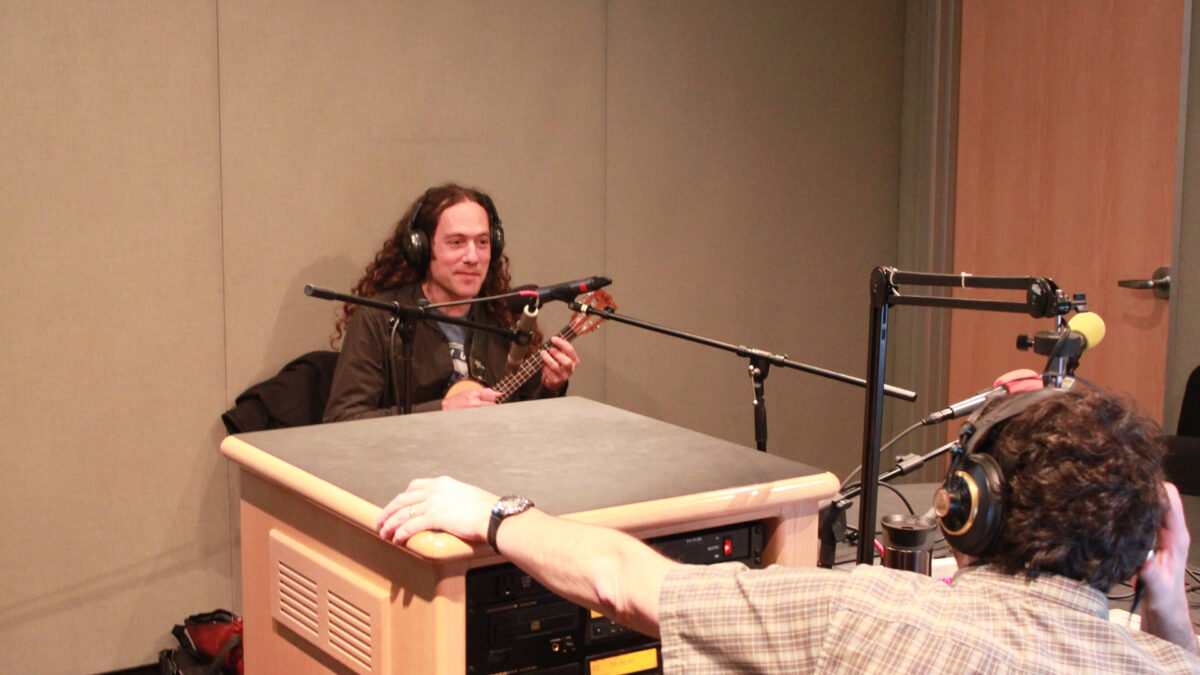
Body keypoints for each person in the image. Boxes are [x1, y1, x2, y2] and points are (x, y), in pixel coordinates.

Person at [377, 387, 1200, 672]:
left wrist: (496, 514)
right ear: (1150, 540)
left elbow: (620, 583)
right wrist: (1168, 611)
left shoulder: (865, 612)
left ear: (969, 507)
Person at [324, 183, 579, 422]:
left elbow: (525, 422)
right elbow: (344, 418)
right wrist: (442, 409)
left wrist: (550, 387)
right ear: (422, 249)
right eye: (457, 242)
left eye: (482, 242)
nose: (472, 257)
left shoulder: (502, 317)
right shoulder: (379, 318)